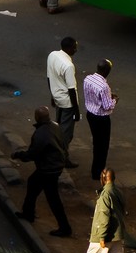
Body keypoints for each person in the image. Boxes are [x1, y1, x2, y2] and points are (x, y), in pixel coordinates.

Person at [12, 106, 72, 237]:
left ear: (37, 117)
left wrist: (18, 155)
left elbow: (32, 154)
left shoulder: (40, 134)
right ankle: (28, 213)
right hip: (55, 166)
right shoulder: (55, 126)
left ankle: (65, 227)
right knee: (33, 184)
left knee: (53, 198)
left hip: (47, 169)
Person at [86, 168, 126, 253]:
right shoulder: (118, 192)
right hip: (119, 234)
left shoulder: (105, 195)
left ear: (103, 179)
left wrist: (102, 237)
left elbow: (103, 217)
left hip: (106, 235)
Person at [47, 36, 80, 168]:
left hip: (57, 98)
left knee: (58, 127)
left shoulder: (52, 55)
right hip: (67, 103)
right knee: (66, 133)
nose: (76, 50)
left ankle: (56, 151)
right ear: (68, 48)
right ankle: (62, 157)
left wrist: (52, 95)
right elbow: (72, 90)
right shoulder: (68, 66)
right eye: (74, 47)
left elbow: (49, 77)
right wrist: (76, 111)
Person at [84, 59, 119, 180]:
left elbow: (92, 95)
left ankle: (95, 169)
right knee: (102, 146)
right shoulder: (104, 86)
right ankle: (97, 172)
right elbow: (107, 106)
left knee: (96, 142)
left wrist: (107, 97)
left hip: (90, 114)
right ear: (106, 71)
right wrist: (114, 100)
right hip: (101, 118)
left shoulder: (88, 79)